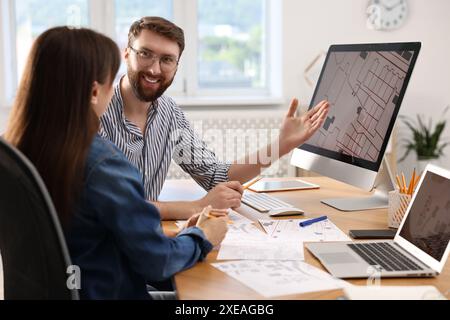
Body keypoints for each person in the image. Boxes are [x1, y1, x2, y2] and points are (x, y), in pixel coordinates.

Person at [5, 26, 228, 300]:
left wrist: (182, 236)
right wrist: (202, 237)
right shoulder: (103, 165)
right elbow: (157, 263)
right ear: (95, 92)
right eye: (112, 82)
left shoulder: (14, 148)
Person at [100, 16, 330, 220]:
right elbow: (110, 205)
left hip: (142, 237)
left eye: (167, 59)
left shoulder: (169, 113)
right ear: (127, 53)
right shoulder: (96, 112)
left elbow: (216, 177)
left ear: (177, 65)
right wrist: (195, 207)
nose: (154, 69)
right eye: (145, 54)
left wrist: (281, 145)